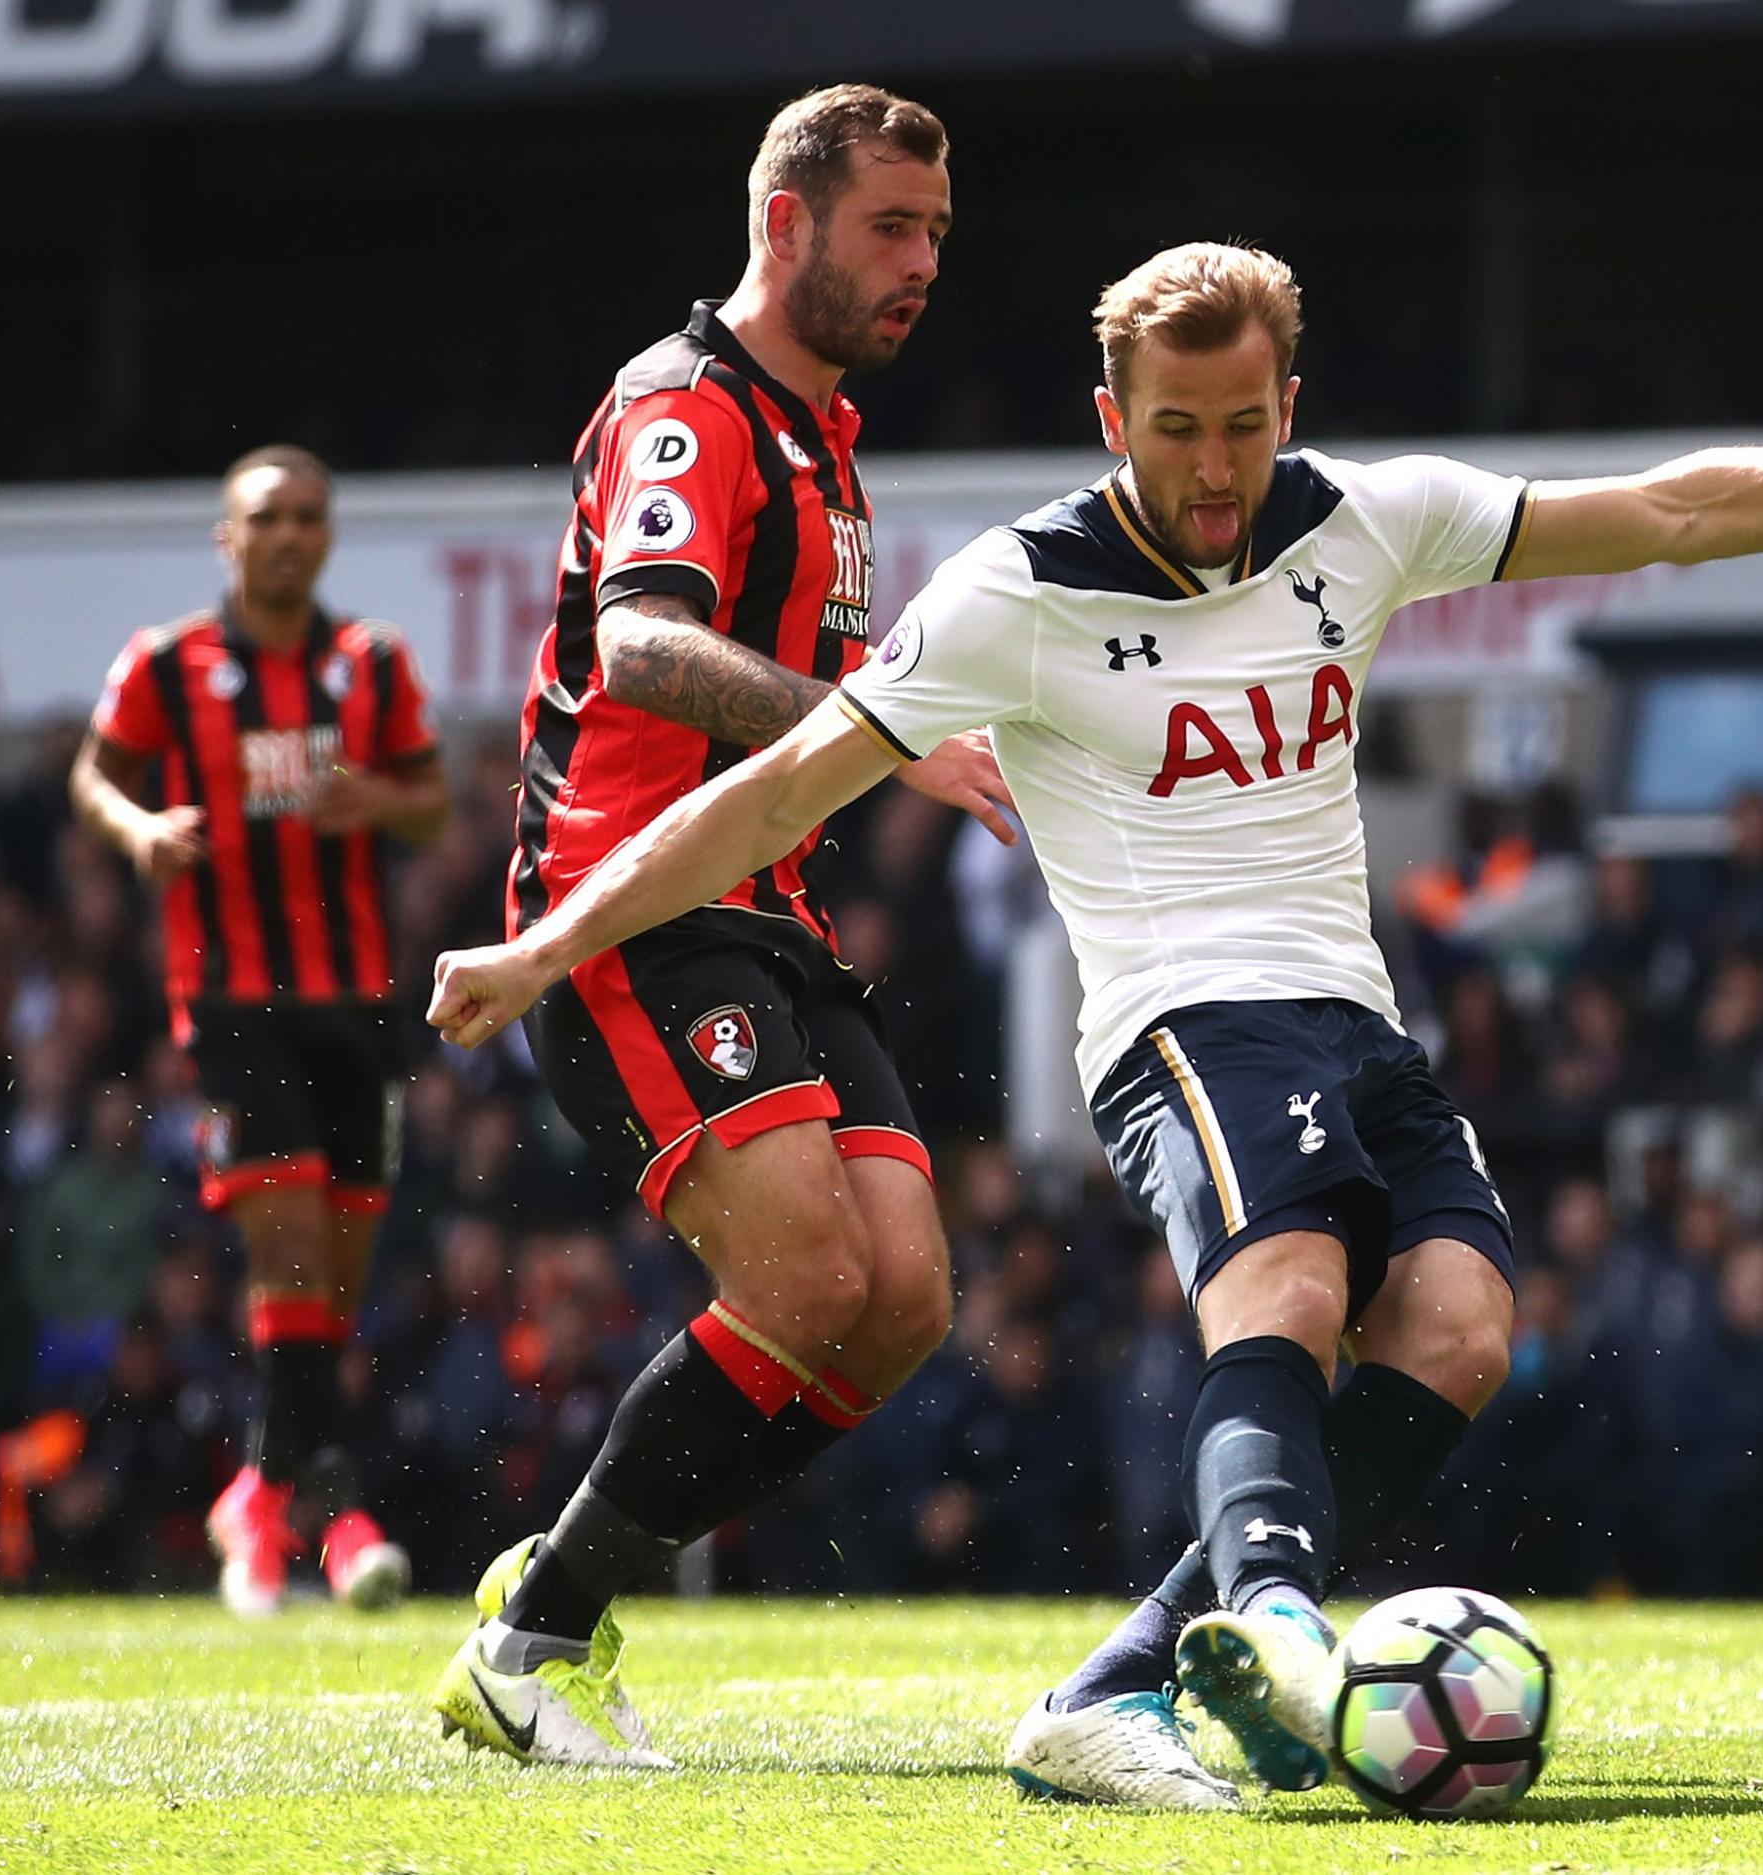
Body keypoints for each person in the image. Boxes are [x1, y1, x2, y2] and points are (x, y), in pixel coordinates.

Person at [427, 241, 1763, 1802]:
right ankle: (1282, 1626)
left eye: (1240, 427)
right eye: (1174, 432)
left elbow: (1669, 511)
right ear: (1112, 420)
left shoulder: (1366, 520)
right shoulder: (1019, 591)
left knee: (1456, 1333)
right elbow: (769, 792)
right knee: (1282, 1297)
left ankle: (1120, 1687)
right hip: (1181, 1022)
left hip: (1353, 1018)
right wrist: (545, 946)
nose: (1212, 472)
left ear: (1287, 403)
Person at [427, 83, 1013, 1770]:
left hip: (770, 916)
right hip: (632, 910)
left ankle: (558, 1583)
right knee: (808, 1269)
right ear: (784, 222)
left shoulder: (827, 442)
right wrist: (874, 722)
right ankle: (539, 1646)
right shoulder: (687, 405)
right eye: (890, 227)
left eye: (937, 236)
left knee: (898, 1300)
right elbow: (644, 651)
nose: (921, 266)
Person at [69, 444, 448, 1615]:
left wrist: (378, 802)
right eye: (265, 518)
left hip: (360, 1008)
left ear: (326, 538)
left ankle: (265, 1496)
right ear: (228, 539)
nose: (288, 535)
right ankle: (336, 1513)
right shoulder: (167, 667)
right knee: (286, 1255)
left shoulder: (370, 664)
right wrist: (139, 832)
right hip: (235, 1003)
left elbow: (433, 812)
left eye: (307, 518)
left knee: (328, 1292)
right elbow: (96, 776)